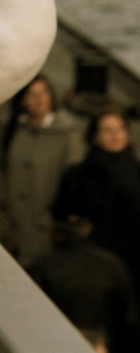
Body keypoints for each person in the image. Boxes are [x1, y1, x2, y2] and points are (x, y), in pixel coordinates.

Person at [28, 217, 137, 353]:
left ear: (55, 233)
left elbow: (31, 324)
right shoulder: (114, 266)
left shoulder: (41, 267)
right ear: (87, 230)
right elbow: (130, 324)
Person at [0, 74, 84, 267]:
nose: (39, 99)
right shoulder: (13, 127)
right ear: (22, 100)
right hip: (12, 223)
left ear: (51, 96)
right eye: (32, 94)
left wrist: (57, 220)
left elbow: (74, 181)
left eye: (43, 92)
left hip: (47, 226)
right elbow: (1, 167)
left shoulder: (69, 133)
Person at [53, 106, 140, 290]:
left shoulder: (136, 170)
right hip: (93, 262)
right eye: (108, 130)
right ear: (94, 136)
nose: (115, 135)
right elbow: (63, 214)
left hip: (133, 259)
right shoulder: (78, 174)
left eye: (120, 129)